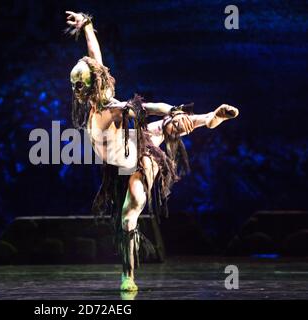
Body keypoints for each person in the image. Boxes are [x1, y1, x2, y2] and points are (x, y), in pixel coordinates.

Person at [65, 11, 239, 291]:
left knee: (128, 215)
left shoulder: (112, 107)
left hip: (138, 158)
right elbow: (95, 56)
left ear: (91, 86)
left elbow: (145, 107)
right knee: (160, 130)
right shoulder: (95, 96)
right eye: (75, 86)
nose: (75, 92)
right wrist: (87, 26)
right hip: (127, 150)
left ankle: (127, 276)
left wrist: (172, 109)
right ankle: (207, 118)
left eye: (79, 86)